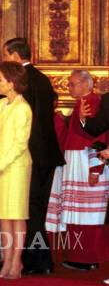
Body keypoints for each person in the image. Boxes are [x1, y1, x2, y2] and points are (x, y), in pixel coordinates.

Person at [3, 37, 65, 275]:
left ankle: (34, 260)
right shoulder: (42, 78)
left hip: (29, 154)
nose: (6, 61)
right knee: (37, 208)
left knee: (27, 209)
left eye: (7, 56)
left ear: (17, 56)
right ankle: (42, 260)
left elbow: (24, 123)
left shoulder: (22, 81)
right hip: (47, 154)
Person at [46, 70, 109, 270]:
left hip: (85, 163)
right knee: (76, 213)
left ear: (85, 83)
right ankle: (78, 256)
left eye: (73, 84)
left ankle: (87, 258)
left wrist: (95, 168)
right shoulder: (83, 101)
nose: (69, 87)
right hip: (76, 162)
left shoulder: (91, 101)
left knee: (88, 214)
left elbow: (98, 135)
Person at [0, 61, 32, 279]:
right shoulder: (0, 105)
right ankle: (5, 262)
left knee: (16, 215)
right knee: (3, 216)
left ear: (12, 83)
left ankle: (16, 263)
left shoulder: (23, 108)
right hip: (1, 167)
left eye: (1, 79)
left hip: (16, 167)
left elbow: (20, 144)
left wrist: (1, 164)